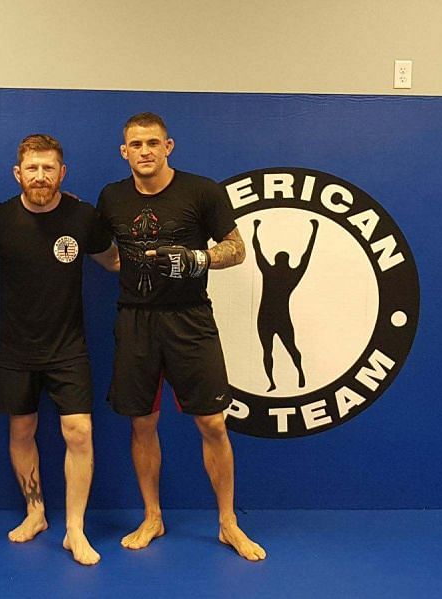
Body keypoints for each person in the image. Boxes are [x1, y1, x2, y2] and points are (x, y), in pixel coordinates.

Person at [96, 112, 267, 561]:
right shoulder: (111, 197)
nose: (145, 151)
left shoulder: (202, 190)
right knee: (142, 422)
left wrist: (197, 259)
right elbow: (107, 256)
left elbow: (237, 248)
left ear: (168, 146)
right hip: (135, 320)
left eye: (153, 143)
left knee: (212, 422)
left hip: (189, 319)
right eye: (136, 144)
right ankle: (153, 516)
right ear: (124, 151)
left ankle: (228, 523)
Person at [0, 134, 118, 565]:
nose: (41, 176)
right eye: (32, 168)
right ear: (18, 174)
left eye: (49, 168)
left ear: (62, 173)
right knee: (21, 431)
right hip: (15, 349)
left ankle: (74, 529)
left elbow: (113, 260)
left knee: (79, 432)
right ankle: (35, 512)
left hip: (68, 349)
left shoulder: (83, 216)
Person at [252, 218, 319, 391]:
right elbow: (306, 256)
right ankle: (280, 380)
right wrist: (314, 231)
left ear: (276, 260)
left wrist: (256, 229)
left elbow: (257, 250)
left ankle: (292, 375)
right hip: (278, 318)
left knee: (273, 350)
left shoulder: (269, 272)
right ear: (287, 261)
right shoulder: (292, 276)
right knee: (285, 349)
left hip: (266, 317)